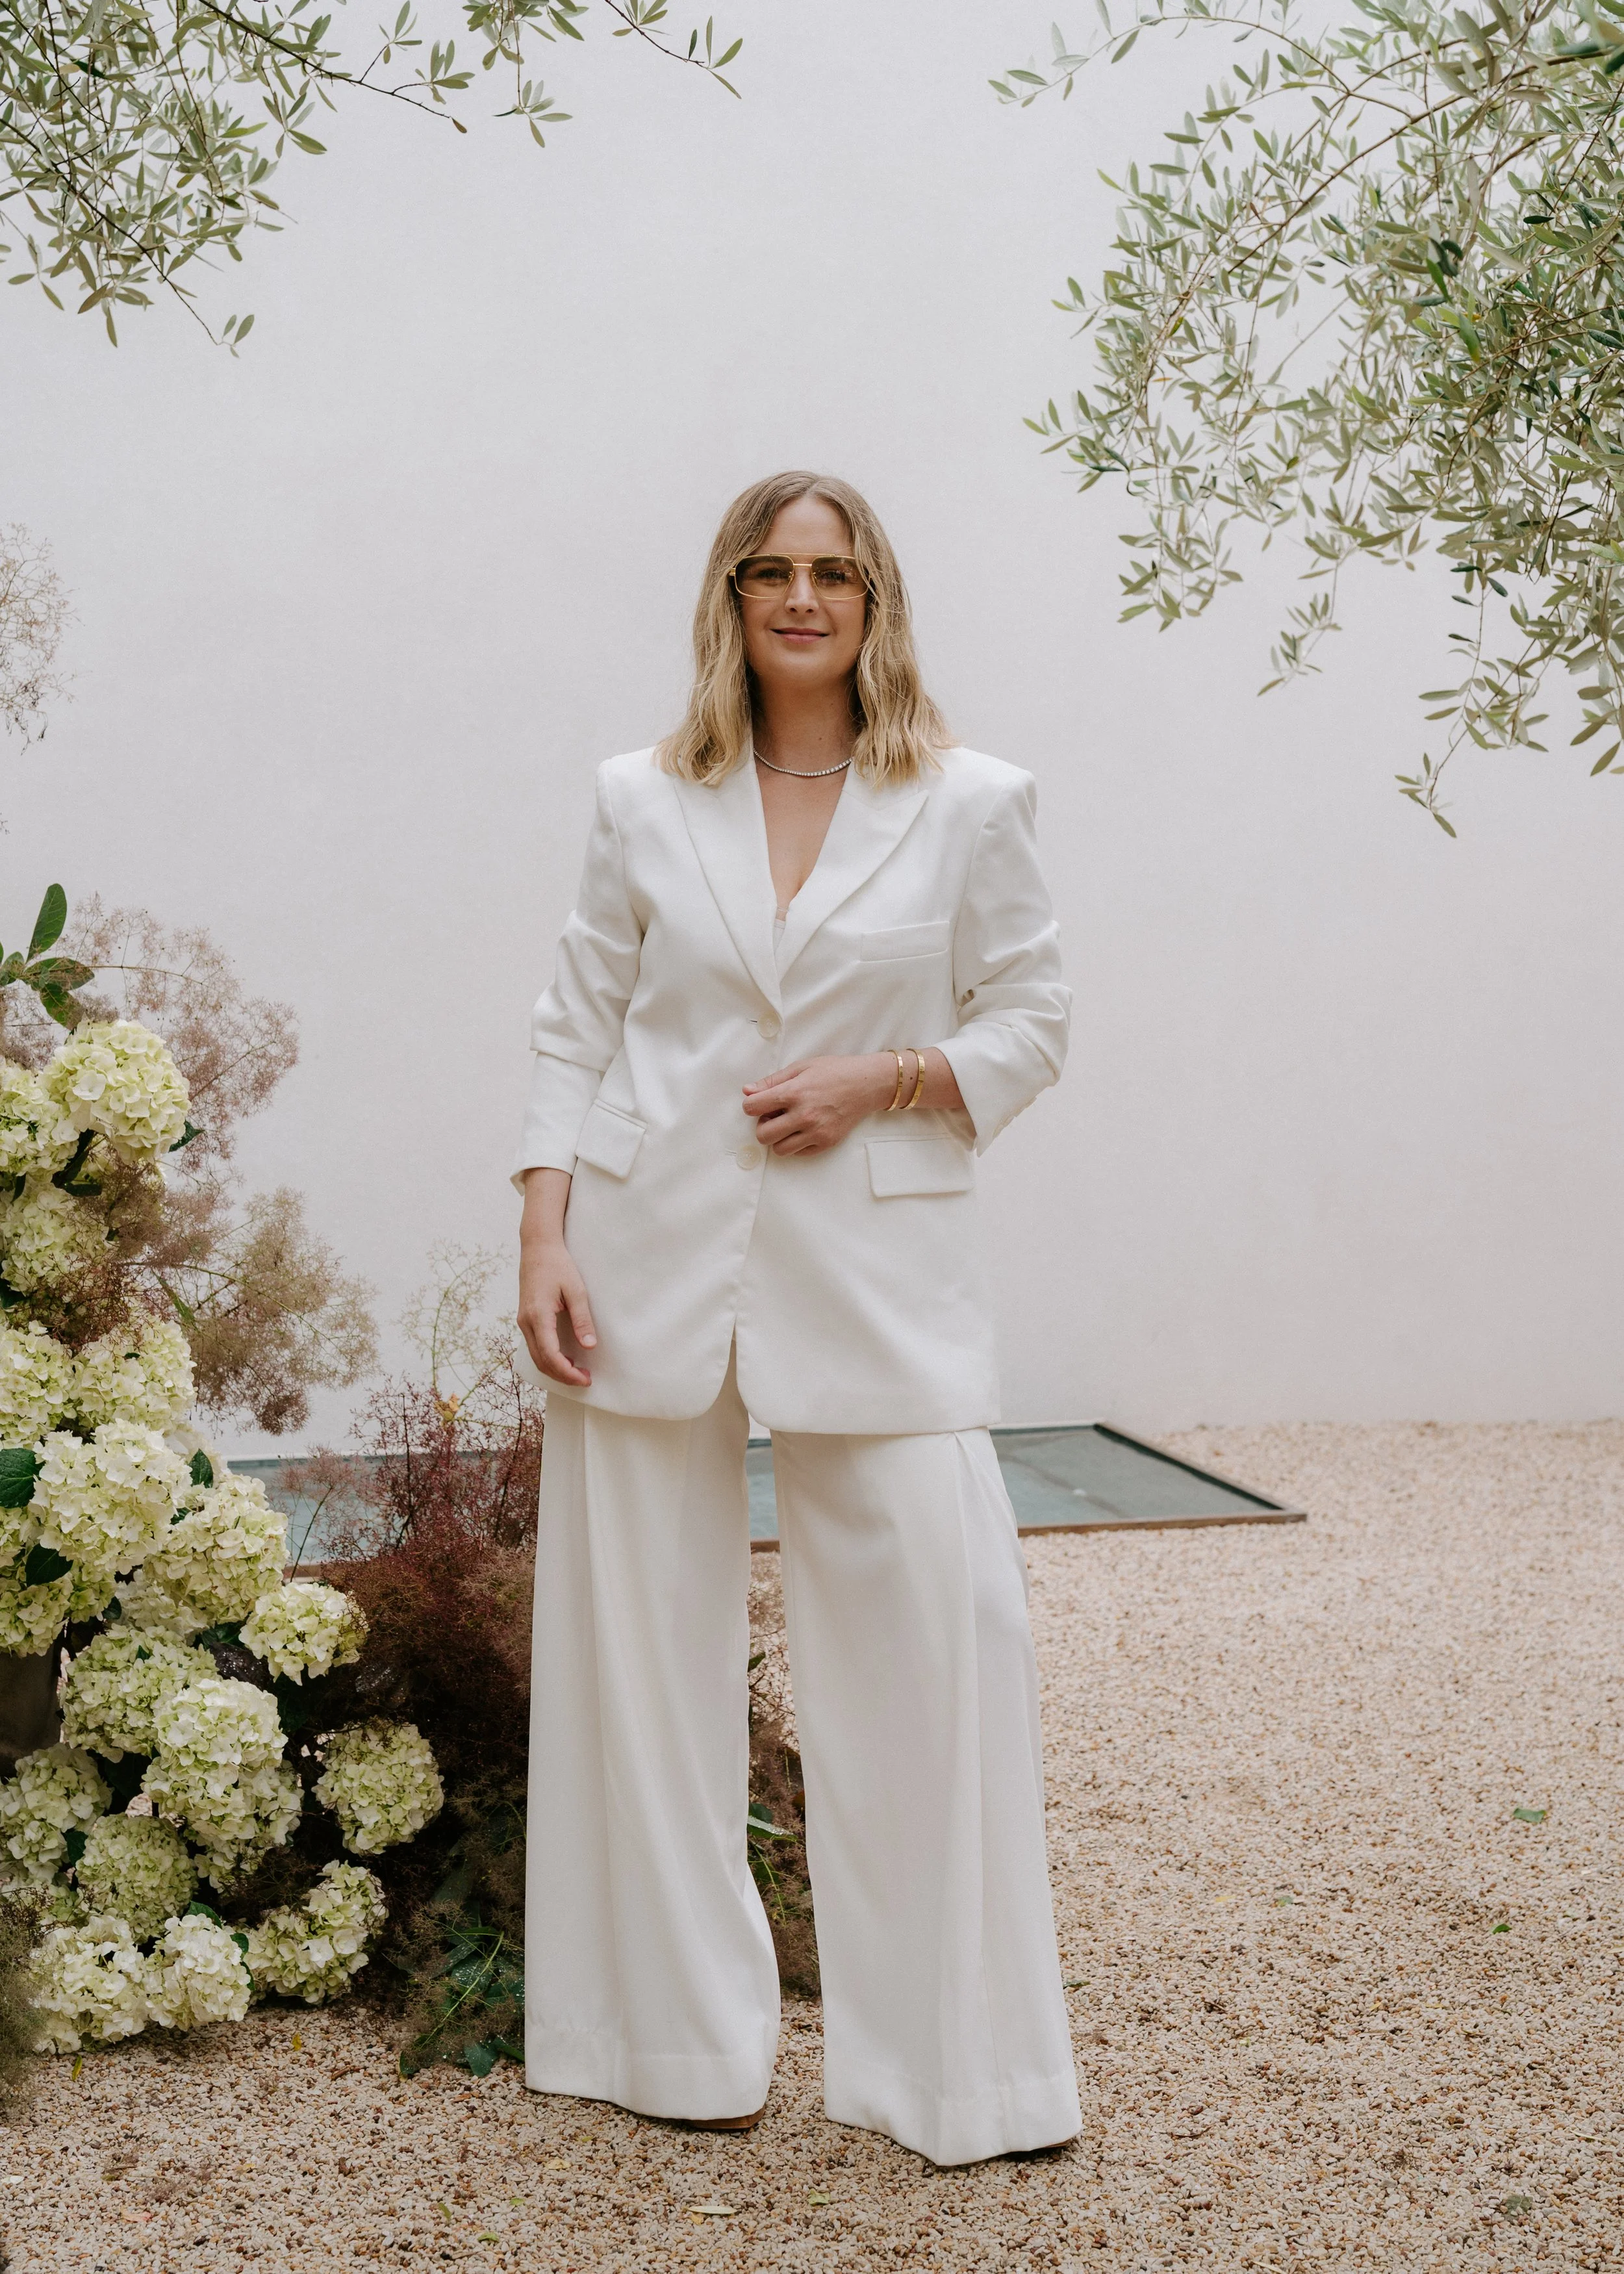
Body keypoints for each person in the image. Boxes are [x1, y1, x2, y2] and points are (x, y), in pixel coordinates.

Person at [514, 469, 1079, 2167]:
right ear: (731, 599)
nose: (801, 594)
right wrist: (541, 1225)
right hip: (640, 1256)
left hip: (874, 1276)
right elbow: (574, 1022)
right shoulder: (640, 796)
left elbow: (1033, 1016)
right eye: (770, 568)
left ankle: (959, 2079)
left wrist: (891, 1076)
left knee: (938, 1646)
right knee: (636, 1669)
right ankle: (664, 2041)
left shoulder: (970, 801)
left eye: (831, 570)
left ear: (873, 599)